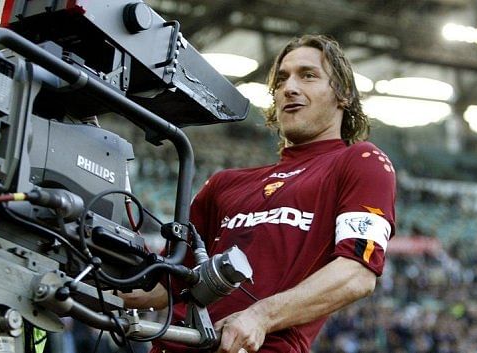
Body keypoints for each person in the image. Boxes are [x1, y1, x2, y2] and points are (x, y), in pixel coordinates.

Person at [123, 34, 396, 353]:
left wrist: (261, 317)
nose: (289, 88)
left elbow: (356, 274)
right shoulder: (224, 183)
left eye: (308, 75)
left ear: (344, 93)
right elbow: (167, 285)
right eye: (281, 79)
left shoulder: (361, 162)